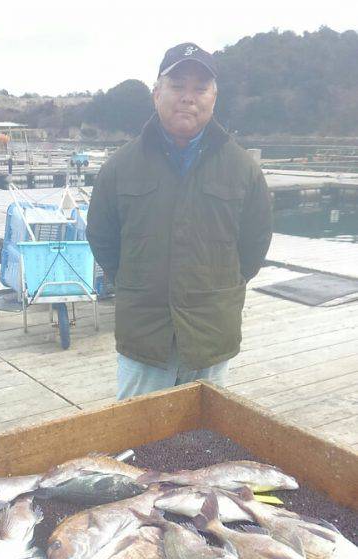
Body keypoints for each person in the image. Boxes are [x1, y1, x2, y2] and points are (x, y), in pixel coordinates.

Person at [86, 43, 272, 400]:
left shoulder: (243, 169)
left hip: (211, 335)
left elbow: (254, 245)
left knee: (207, 431)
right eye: (177, 86)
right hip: (145, 337)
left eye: (200, 88)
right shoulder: (119, 167)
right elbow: (102, 238)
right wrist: (135, 283)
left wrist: (224, 286)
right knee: (138, 430)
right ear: (156, 93)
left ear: (214, 98)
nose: (188, 97)